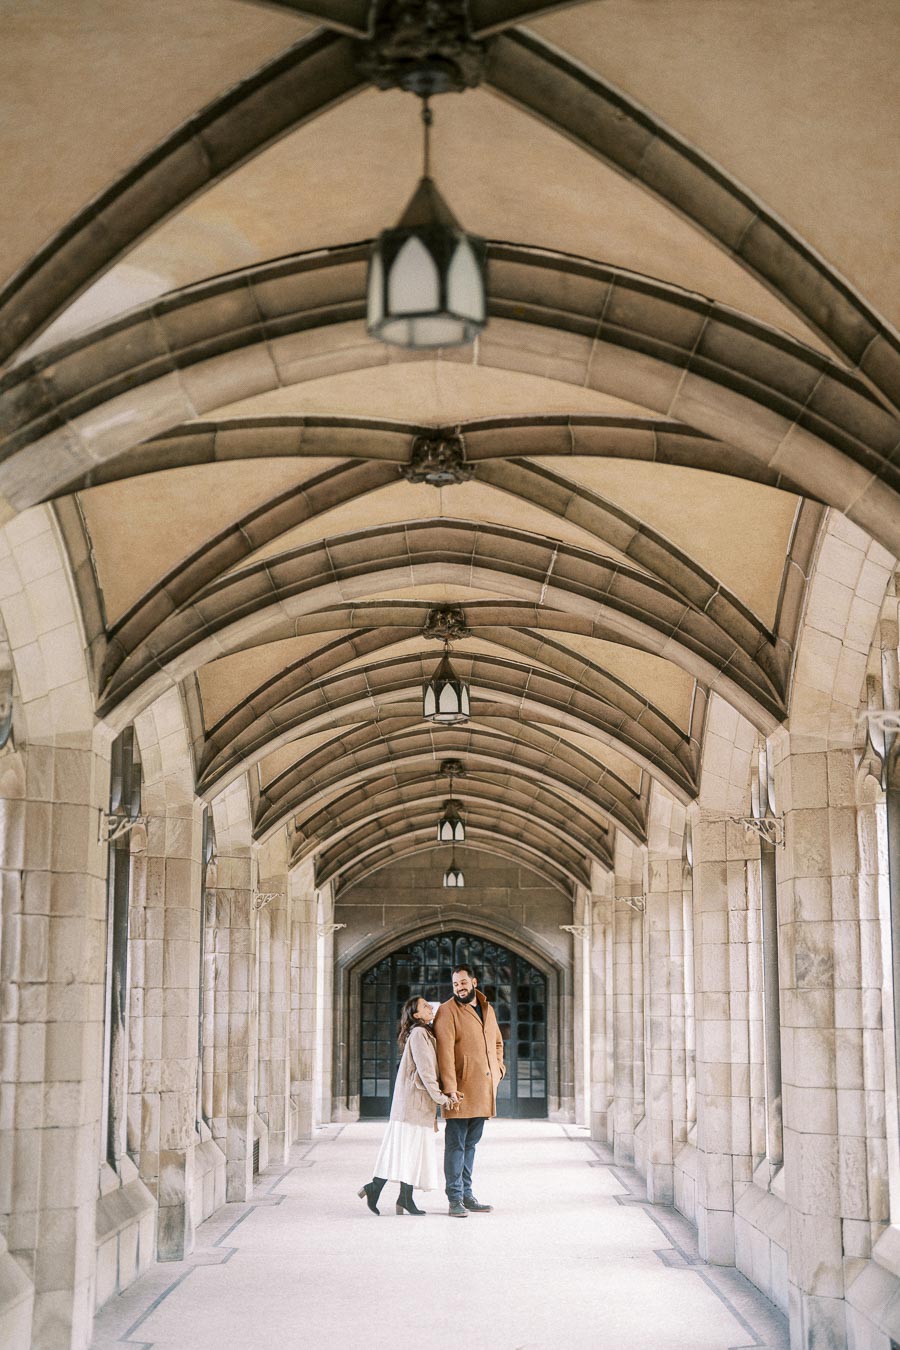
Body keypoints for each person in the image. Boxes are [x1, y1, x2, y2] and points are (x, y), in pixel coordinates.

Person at [358, 995, 453, 1215]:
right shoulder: (420, 1034)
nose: (431, 1007)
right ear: (416, 1015)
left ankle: (398, 1195)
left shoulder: (424, 1033)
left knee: (408, 1152)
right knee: (407, 1151)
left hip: (414, 1106)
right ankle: (381, 1189)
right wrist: (442, 1098)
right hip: (413, 1105)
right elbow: (426, 1071)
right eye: (425, 1006)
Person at [433, 963, 505, 1218]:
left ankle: (466, 1194)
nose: (459, 988)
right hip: (460, 1091)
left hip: (484, 1089)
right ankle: (454, 1198)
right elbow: (444, 1054)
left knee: (471, 1145)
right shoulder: (446, 1011)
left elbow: (497, 1042)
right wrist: (450, 1089)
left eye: (463, 982)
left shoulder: (487, 1008)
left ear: (474, 982)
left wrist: (499, 1070)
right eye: (455, 984)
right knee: (456, 1145)